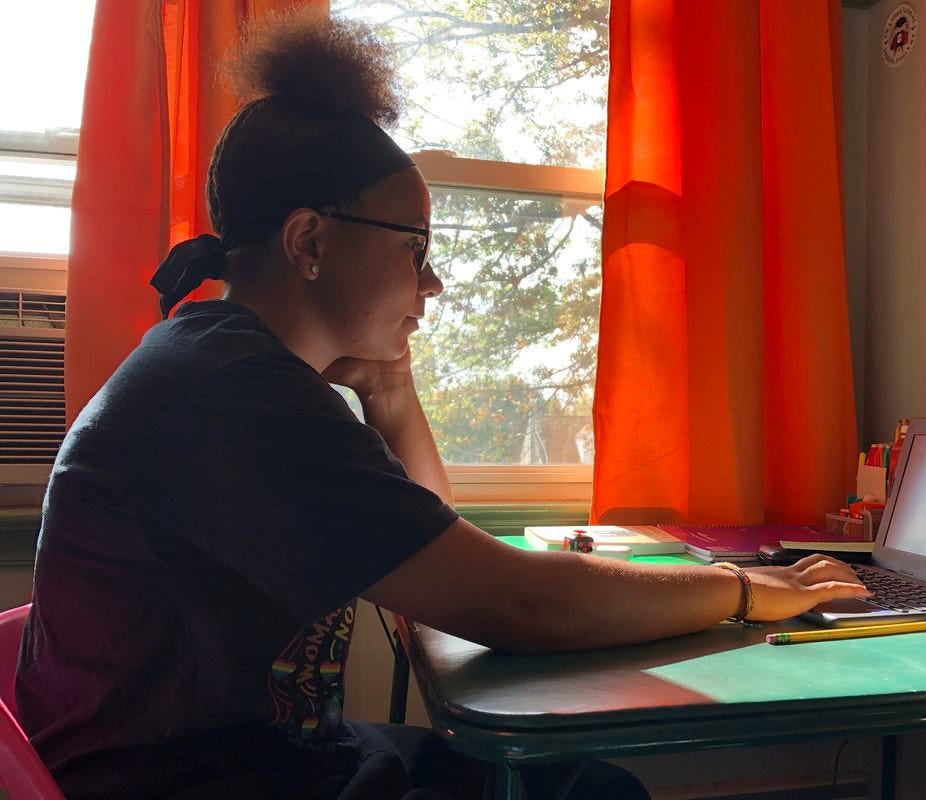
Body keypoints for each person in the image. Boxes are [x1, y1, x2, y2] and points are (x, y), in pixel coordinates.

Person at [15, 10, 871, 800]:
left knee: (579, 785)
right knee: (592, 793)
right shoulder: (229, 394)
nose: (431, 281)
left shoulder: (228, 365)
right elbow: (514, 604)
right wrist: (742, 589)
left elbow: (432, 550)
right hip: (199, 785)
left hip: (275, 761)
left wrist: (388, 386)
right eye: (414, 247)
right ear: (309, 241)